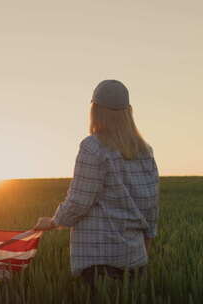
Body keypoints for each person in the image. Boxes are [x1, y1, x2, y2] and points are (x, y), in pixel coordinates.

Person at [33, 80, 159, 288]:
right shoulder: (145, 151)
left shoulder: (93, 147)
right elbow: (150, 205)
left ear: (96, 111)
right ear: (128, 112)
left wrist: (54, 221)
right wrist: (144, 249)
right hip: (135, 258)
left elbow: (80, 202)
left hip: (99, 261)